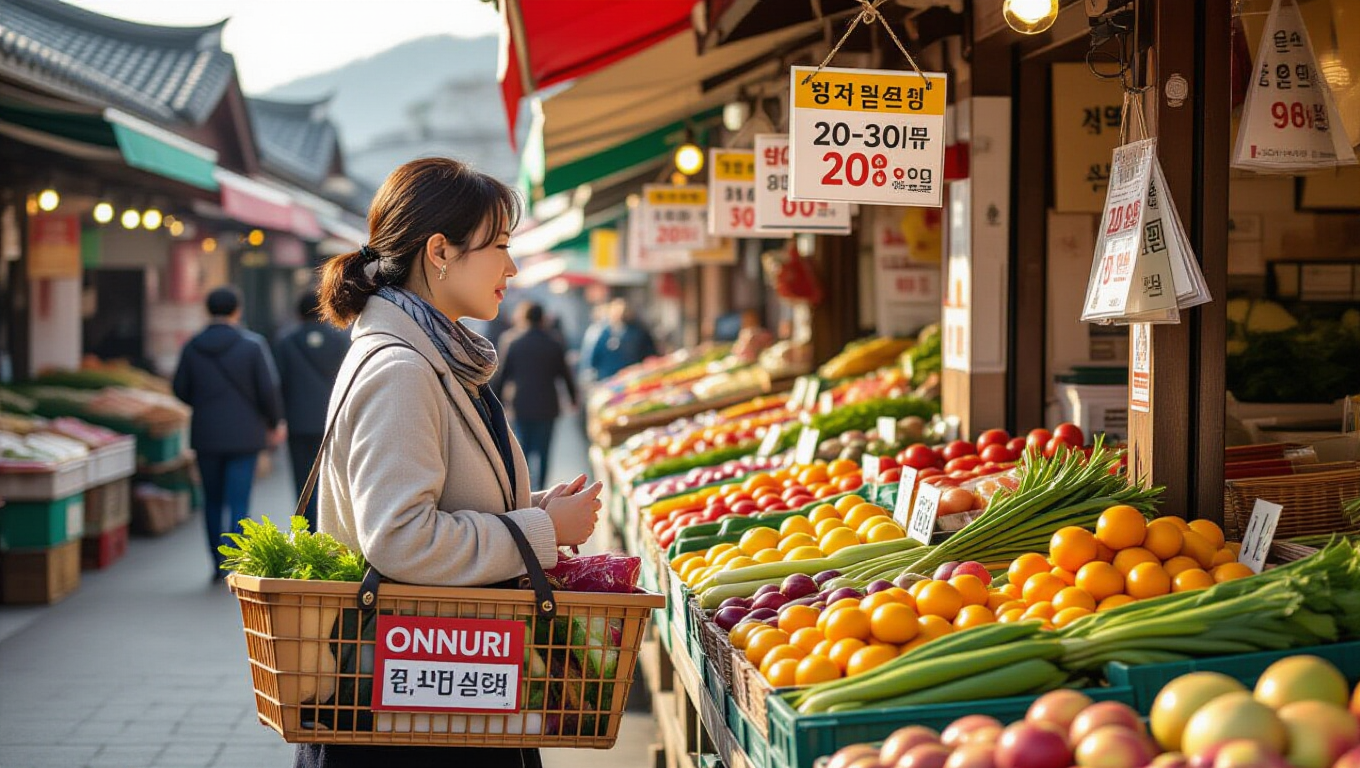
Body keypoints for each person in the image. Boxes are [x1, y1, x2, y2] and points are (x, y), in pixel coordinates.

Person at [306, 157, 601, 768]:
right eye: (499, 247)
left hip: (439, 691)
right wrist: (541, 531)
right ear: (439, 252)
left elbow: (431, 505)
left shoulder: (438, 357)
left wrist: (535, 507)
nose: (511, 267)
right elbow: (400, 537)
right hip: (410, 718)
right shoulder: (402, 370)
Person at [172, 286, 284, 578]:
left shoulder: (193, 345)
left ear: (208, 310)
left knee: (211, 501)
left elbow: (179, 389)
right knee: (238, 501)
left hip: (206, 435)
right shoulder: (252, 345)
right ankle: (235, 562)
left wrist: (205, 403)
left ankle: (215, 563)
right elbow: (268, 390)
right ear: (237, 309)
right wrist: (274, 423)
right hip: (244, 435)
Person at [273, 288, 351, 530]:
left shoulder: (285, 341)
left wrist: (278, 419)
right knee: (331, 477)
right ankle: (329, 529)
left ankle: (305, 528)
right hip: (332, 420)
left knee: (302, 478)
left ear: (297, 313)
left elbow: (278, 382)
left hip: (297, 421)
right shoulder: (340, 339)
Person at [493, 301, 578, 488]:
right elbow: (564, 373)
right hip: (547, 405)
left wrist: (494, 403)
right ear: (542, 319)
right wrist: (573, 398)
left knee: (522, 450)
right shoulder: (553, 341)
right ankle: (542, 487)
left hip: (520, 404)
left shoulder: (512, 341)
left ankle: (526, 490)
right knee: (544, 451)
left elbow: (502, 375)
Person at [583, 298, 658, 382]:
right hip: (608, 379)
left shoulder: (637, 331)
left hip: (634, 377)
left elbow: (650, 353)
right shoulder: (599, 333)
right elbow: (591, 361)